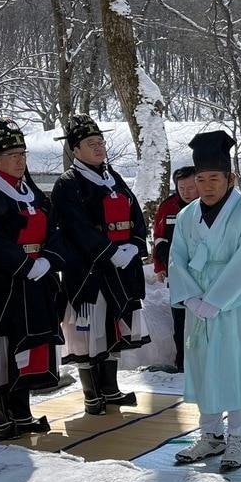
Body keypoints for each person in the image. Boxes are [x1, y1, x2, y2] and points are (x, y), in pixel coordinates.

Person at [169, 131, 241, 472]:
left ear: (229, 178)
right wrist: (193, 297)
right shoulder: (187, 217)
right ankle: (210, 434)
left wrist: (217, 300)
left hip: (236, 305)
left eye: (214, 178)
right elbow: (176, 259)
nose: (207, 186)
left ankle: (238, 437)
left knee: (237, 367)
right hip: (198, 303)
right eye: (201, 179)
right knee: (203, 367)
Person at [0, 117, 66, 440]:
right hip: (2, 284)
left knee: (29, 344)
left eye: (23, 154)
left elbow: (54, 228)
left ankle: (22, 412)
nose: (21, 161)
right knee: (3, 347)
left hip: (36, 278)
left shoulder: (31, 190)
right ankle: (0, 415)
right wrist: (23, 265)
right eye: (13, 155)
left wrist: (49, 259)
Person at [51, 114, 150, 415]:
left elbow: (135, 213)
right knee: (89, 330)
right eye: (90, 144)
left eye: (101, 142)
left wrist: (134, 243)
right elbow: (75, 228)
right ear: (75, 150)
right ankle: (91, 392)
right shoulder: (67, 184)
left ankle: (110, 387)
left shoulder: (114, 178)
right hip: (89, 269)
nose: (98, 147)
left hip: (122, 266)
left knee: (115, 327)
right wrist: (108, 251)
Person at [150, 166, 198, 374]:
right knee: (179, 320)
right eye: (182, 187)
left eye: (190, 186)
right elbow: (158, 237)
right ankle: (182, 361)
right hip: (176, 274)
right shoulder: (168, 207)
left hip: (200, 275)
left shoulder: (207, 206)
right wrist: (159, 266)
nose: (186, 192)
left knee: (200, 319)